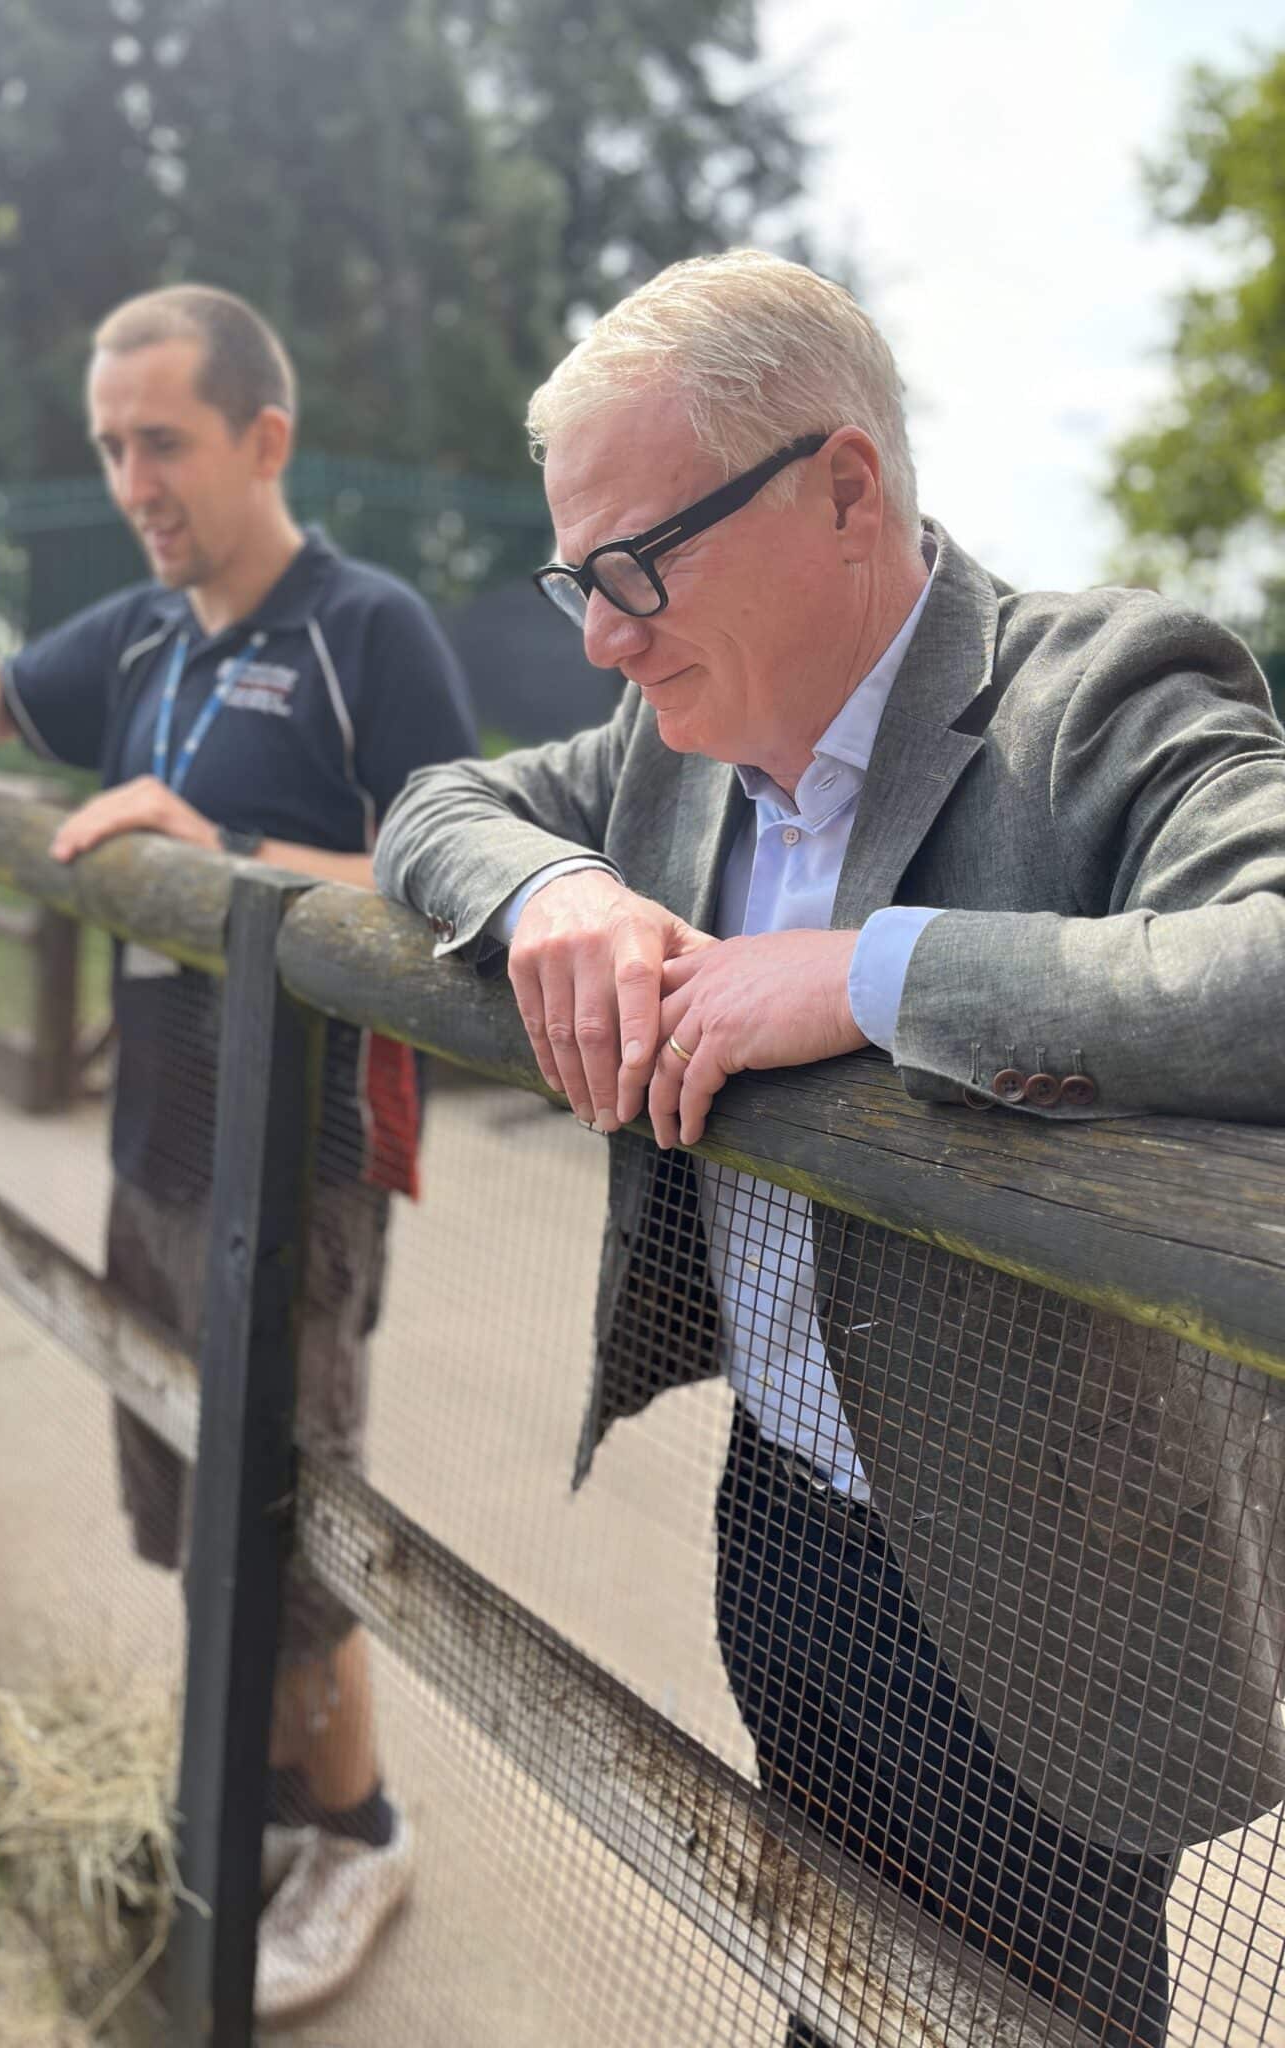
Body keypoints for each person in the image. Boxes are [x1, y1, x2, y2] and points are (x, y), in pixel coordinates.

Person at [374, 249, 1285, 2047]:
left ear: (845, 487)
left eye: (636, 565)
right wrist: (551, 885)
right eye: (580, 578)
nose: (599, 638)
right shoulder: (673, 737)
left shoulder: (1105, 693)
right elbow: (432, 805)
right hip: (783, 1516)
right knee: (834, 1977)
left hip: (1049, 1585)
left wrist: (870, 976)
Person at [0, 284, 479, 2020]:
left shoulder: (366, 631)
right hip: (157, 1136)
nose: (134, 478)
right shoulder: (141, 637)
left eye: (166, 441)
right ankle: (264, 1800)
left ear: (263, 438)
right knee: (192, 1499)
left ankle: (358, 1831)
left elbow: (454, 890)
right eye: (110, 446)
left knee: (286, 1515)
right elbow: (14, 688)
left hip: (302, 1166)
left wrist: (217, 844)